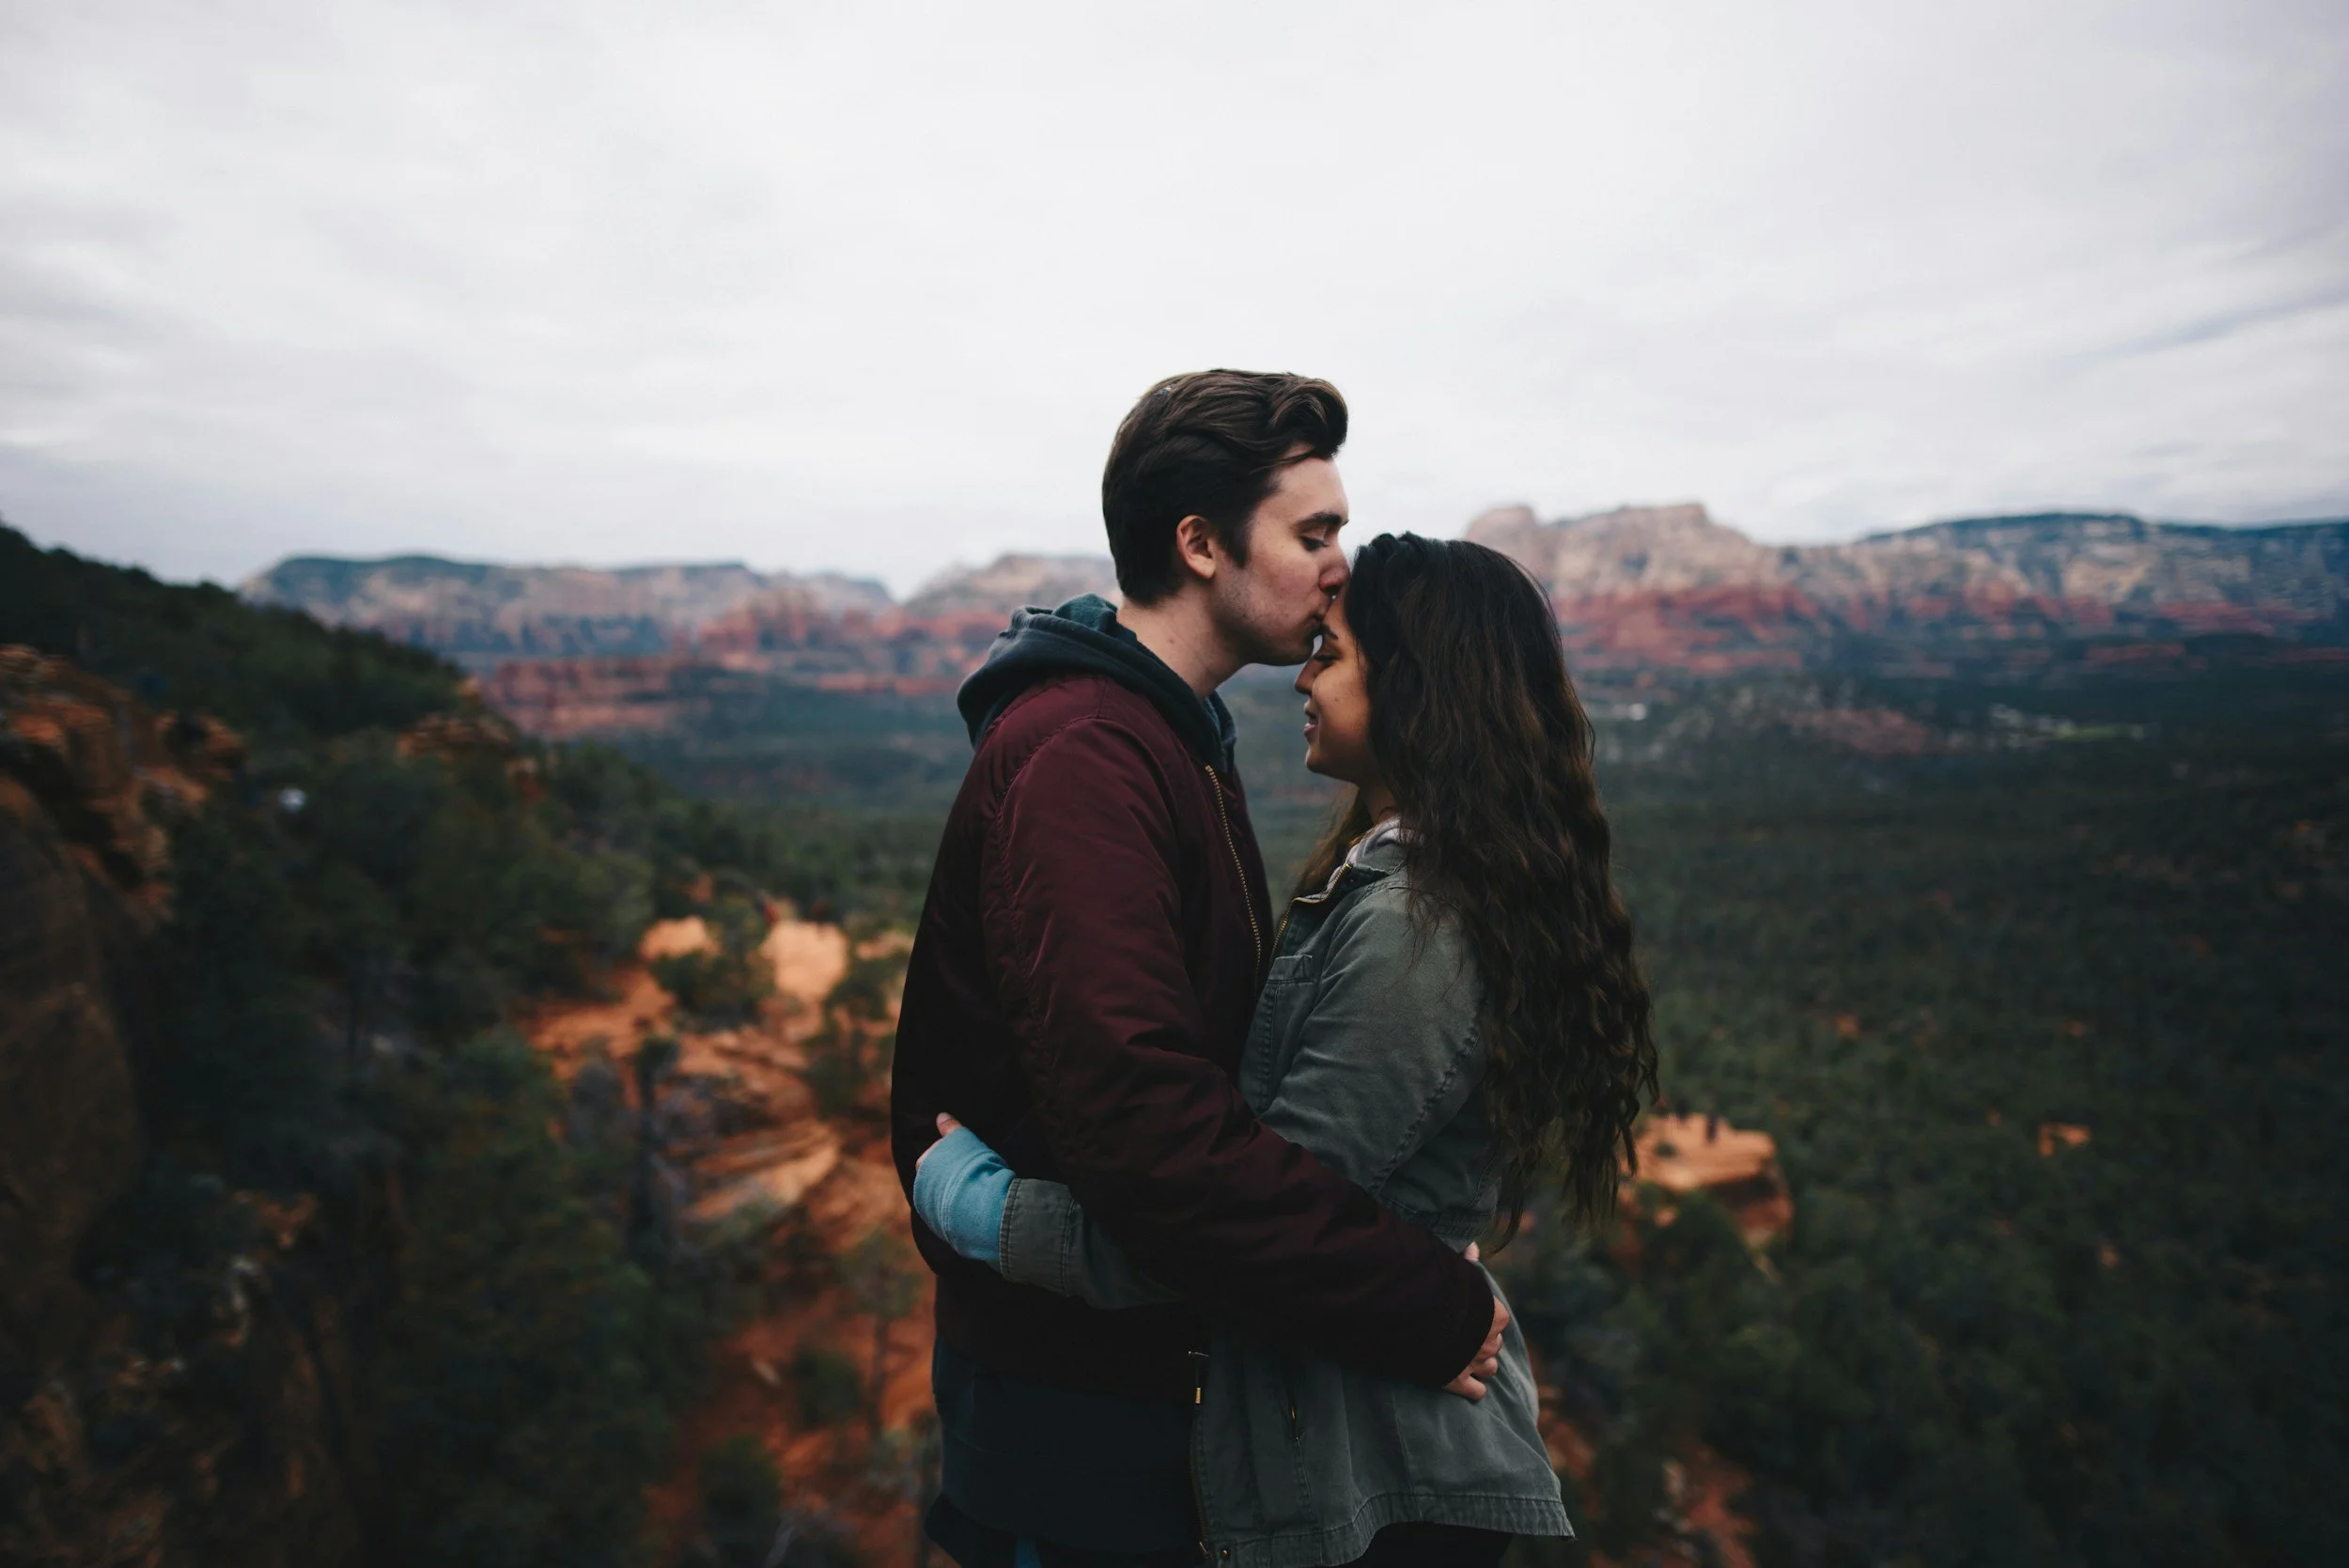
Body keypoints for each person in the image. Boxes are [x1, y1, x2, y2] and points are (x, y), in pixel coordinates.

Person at [916, 533, 1657, 1567]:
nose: (1302, 675)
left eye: (1333, 652)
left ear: (1417, 690)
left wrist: (988, 1212)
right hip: (1364, 1446)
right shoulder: (1398, 881)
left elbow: (1247, 1225)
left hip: (1388, 1481)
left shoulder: (1416, 925)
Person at [890, 373, 1511, 1567]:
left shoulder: (1170, 736)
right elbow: (1152, 1136)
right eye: (1312, 531)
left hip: (1139, 1408)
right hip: (1074, 1437)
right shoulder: (1086, 753)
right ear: (1199, 544)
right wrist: (1425, 1297)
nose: (1343, 563)